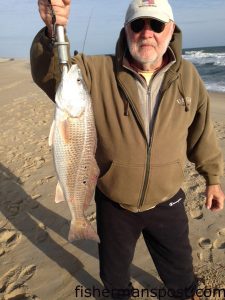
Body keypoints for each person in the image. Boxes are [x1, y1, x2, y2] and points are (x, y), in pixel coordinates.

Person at [31, 0, 225, 299]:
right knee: (115, 273)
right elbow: (54, 74)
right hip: (114, 204)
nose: (147, 33)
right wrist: (53, 30)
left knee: (180, 269)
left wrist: (212, 178)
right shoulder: (95, 70)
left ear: (170, 30)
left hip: (168, 201)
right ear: (126, 30)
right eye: (138, 25)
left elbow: (201, 133)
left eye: (156, 25)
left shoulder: (188, 77)